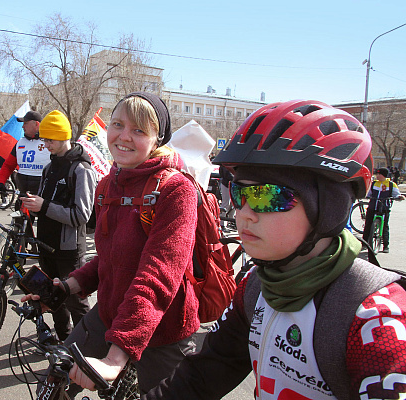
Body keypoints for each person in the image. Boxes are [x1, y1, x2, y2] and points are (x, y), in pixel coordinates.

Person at [144, 100, 406, 400]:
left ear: (328, 208)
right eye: (239, 193)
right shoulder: (256, 285)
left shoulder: (377, 319)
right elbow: (202, 376)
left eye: (266, 196)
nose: (243, 213)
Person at [25, 93, 200, 396]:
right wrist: (65, 288)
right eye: (117, 124)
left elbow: (157, 276)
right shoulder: (108, 184)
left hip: (163, 333)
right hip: (109, 315)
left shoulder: (176, 189)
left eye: (139, 130)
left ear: (158, 139)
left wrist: (116, 357)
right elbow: (108, 259)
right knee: (53, 383)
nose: (124, 136)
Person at [21, 110, 94, 342]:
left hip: (68, 250)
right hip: (46, 245)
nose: (46, 144)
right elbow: (45, 204)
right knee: (52, 297)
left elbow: (81, 215)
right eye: (44, 139)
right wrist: (33, 204)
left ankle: (86, 346)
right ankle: (64, 339)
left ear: (64, 136)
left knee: (75, 302)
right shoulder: (48, 168)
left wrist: (43, 206)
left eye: (50, 139)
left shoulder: (81, 169)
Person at [0, 110, 51, 199]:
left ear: (36, 124)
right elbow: (8, 165)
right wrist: (0, 182)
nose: (23, 126)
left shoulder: (49, 142)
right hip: (23, 195)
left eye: (25, 123)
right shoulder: (20, 142)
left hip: (42, 197)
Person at [362, 167, 404, 253]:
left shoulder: (391, 184)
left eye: (379, 174)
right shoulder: (374, 183)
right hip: (372, 207)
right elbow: (369, 193)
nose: (377, 176)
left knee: (385, 226)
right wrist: (365, 195)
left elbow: (396, 194)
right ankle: (364, 244)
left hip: (384, 208)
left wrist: (399, 197)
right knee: (368, 225)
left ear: (384, 175)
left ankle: (386, 246)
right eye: (377, 174)